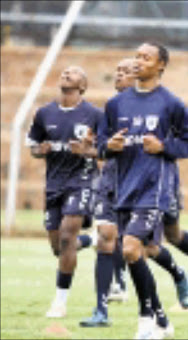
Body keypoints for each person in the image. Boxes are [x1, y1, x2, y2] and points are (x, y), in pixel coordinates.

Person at [97, 42, 188, 339]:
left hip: (155, 189)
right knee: (137, 253)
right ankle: (161, 319)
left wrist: (164, 147)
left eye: (146, 57)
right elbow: (102, 145)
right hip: (124, 188)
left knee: (130, 247)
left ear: (160, 66)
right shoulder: (116, 104)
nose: (139, 61)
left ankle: (146, 322)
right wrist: (110, 146)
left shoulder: (171, 103)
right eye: (137, 56)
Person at [27, 65, 101, 318]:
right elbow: (33, 147)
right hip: (54, 184)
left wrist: (88, 151)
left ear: (83, 85)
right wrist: (41, 150)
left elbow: (106, 151)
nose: (67, 73)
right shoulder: (44, 113)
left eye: (74, 72)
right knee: (59, 247)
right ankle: (91, 240)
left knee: (68, 237)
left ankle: (59, 303)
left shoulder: (94, 114)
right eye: (65, 71)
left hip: (82, 181)